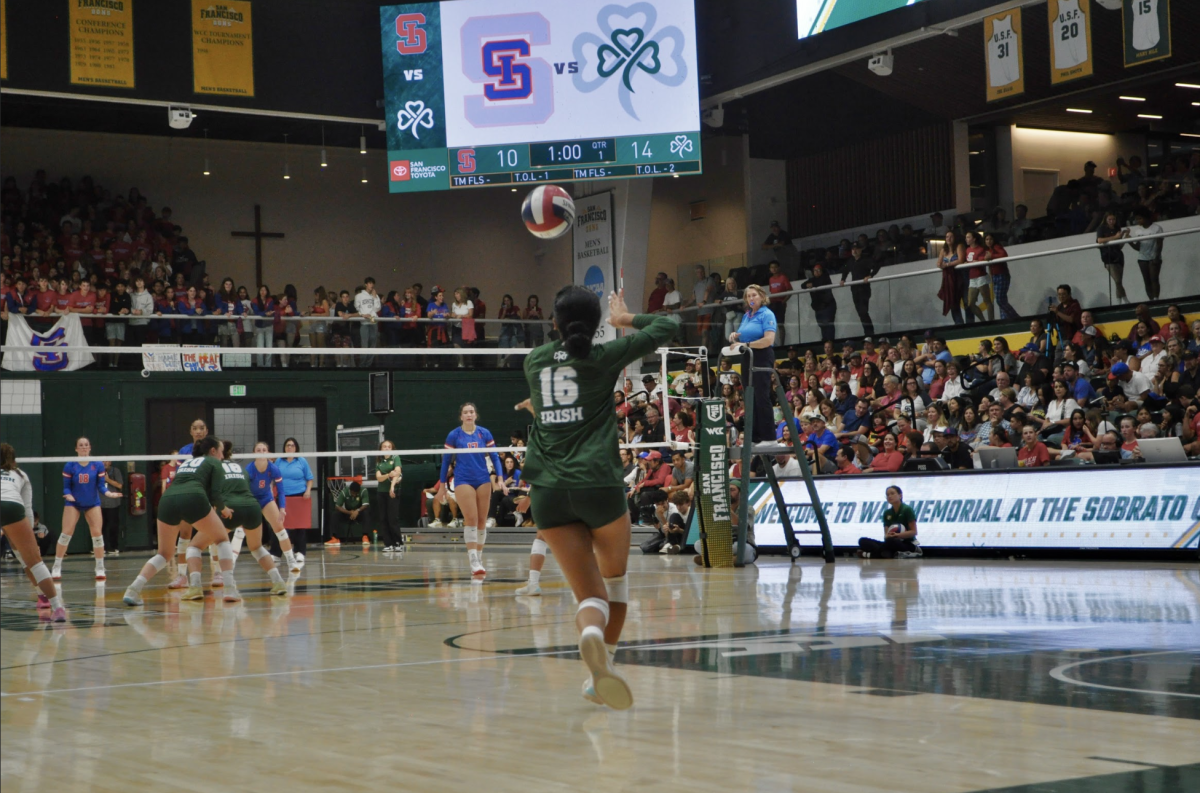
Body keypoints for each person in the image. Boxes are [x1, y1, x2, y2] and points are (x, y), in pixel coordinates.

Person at [518, 286, 678, 710]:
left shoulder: (533, 361)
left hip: (548, 493)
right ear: (596, 325)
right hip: (598, 485)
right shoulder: (602, 357)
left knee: (590, 595)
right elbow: (669, 325)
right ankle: (601, 657)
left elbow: (551, 392)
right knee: (615, 583)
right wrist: (624, 320)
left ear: (554, 322)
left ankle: (591, 642)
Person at [122, 437, 239, 605]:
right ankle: (229, 589)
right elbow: (215, 495)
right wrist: (224, 509)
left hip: (167, 500)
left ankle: (133, 589)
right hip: (193, 497)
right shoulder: (215, 463)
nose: (222, 455)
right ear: (213, 451)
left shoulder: (185, 463)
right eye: (221, 451)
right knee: (221, 538)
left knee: (164, 553)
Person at [2, 443, 67, 621]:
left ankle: (41, 595)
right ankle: (57, 607)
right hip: (12, 506)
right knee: (33, 561)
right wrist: (29, 537)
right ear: (13, 460)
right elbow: (28, 509)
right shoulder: (21, 475)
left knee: (22, 557)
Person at [214, 441, 288, 596]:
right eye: (258, 450)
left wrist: (219, 508)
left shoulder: (214, 467)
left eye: (264, 450)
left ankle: (223, 582)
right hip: (252, 506)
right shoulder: (242, 469)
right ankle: (278, 582)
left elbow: (214, 493)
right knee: (256, 547)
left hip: (234, 507)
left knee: (209, 542)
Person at [441, 403, 505, 577]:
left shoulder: (484, 433)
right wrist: (441, 486)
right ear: (461, 416)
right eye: (465, 412)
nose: (469, 415)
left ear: (476, 415)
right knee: (471, 518)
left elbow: (495, 457)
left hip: (483, 479)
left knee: (482, 521)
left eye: (471, 412)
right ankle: (473, 560)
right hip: (463, 480)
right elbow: (446, 461)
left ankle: (479, 556)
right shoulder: (454, 435)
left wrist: (500, 478)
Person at [54, 437, 121, 581]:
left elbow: (101, 486)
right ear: (76, 448)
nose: (84, 447)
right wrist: (68, 495)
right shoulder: (70, 465)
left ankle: (100, 567)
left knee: (97, 534)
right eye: (80, 445)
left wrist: (109, 493)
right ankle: (56, 566)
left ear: (90, 447)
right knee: (66, 533)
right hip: (74, 503)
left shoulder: (97, 464)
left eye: (86, 445)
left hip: (92, 503)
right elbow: (66, 487)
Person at [728, 284, 777, 445]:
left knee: (761, 396)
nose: (751, 298)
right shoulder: (746, 316)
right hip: (747, 356)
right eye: (748, 296)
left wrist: (747, 345)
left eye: (754, 295)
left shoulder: (767, 314)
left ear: (762, 297)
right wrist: (735, 337)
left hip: (762, 355)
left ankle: (769, 438)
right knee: (750, 397)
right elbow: (742, 338)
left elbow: (768, 340)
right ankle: (755, 438)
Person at [246, 441, 300, 573]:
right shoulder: (249, 469)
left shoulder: (274, 468)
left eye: (264, 449)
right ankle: (230, 566)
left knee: (280, 529)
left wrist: (282, 508)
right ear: (254, 453)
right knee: (240, 531)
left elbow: (281, 491)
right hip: (251, 500)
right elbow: (244, 491)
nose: (262, 452)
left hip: (266, 499)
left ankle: (291, 561)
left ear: (269, 453)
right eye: (258, 450)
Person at [276, 438, 314, 561]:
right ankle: (276, 553)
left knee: (300, 526)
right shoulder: (279, 461)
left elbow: (309, 478)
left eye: (292, 445)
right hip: (282, 497)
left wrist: (308, 490)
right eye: (288, 445)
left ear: (296, 447)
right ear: (284, 447)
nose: (290, 447)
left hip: (299, 496)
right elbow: (272, 478)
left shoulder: (301, 461)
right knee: (279, 525)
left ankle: (300, 552)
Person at [857, 485, 920, 559]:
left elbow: (914, 532)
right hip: (891, 543)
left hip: (907, 543)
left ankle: (871, 555)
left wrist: (898, 535)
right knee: (862, 541)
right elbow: (886, 536)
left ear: (900, 495)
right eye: (887, 495)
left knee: (892, 542)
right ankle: (886, 553)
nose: (889, 496)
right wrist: (888, 536)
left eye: (892, 493)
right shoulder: (887, 513)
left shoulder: (907, 509)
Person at [839, 242, 880, 336]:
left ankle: (869, 332)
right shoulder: (850, 261)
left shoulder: (866, 259)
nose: (855, 251)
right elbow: (845, 270)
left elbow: (876, 266)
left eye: (857, 249)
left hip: (864, 288)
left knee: (863, 311)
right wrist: (842, 279)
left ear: (861, 250)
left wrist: (870, 275)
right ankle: (868, 332)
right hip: (854, 289)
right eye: (853, 249)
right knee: (860, 313)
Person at [374, 440, 404, 553]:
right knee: (383, 518)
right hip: (381, 492)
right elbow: (379, 478)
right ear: (381, 449)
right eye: (384, 446)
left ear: (392, 448)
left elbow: (397, 472)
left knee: (393, 518)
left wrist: (392, 487)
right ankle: (388, 544)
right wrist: (388, 475)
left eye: (389, 446)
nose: (386, 448)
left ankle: (398, 543)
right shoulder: (379, 461)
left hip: (393, 492)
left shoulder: (396, 457)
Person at [1127, 207, 1163, 300]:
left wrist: (1156, 257)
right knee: (1147, 281)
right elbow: (1138, 247)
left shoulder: (1156, 228)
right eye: (1136, 219)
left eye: (1139, 218)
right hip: (1142, 258)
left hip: (1153, 258)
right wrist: (1129, 241)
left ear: (1146, 217)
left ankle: (1156, 299)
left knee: (1154, 279)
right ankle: (1151, 300)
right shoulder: (1138, 231)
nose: (1137, 221)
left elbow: (1159, 244)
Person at [355, 277, 382, 367]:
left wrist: (374, 297)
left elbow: (377, 308)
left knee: (373, 344)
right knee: (365, 344)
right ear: (366, 284)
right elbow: (357, 307)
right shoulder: (359, 296)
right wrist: (362, 314)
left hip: (373, 320)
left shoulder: (375, 295)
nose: (371, 285)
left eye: (372, 283)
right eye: (369, 283)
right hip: (364, 322)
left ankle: (368, 365)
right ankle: (362, 365)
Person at [334, 480, 371, 545]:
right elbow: (337, 506)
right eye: (352, 493)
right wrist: (349, 512)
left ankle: (365, 536)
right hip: (348, 513)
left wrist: (357, 511)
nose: (354, 495)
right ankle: (334, 538)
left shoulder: (363, 490)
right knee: (335, 514)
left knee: (366, 512)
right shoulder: (344, 492)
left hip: (359, 513)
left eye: (355, 493)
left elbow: (366, 504)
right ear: (350, 490)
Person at [100, 460, 123, 555]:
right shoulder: (97, 471)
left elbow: (120, 485)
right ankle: (101, 547)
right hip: (100, 503)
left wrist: (107, 479)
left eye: (107, 461)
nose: (105, 463)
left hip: (113, 504)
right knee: (100, 526)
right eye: (103, 461)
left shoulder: (115, 471)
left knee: (113, 526)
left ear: (110, 462)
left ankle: (113, 547)